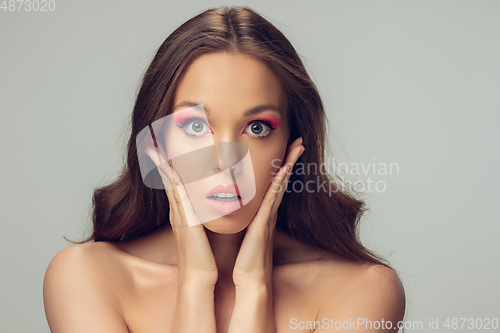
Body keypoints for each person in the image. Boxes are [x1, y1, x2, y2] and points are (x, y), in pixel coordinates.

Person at [43, 6, 405, 333]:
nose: (226, 161)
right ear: (157, 139)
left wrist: (255, 288)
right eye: (196, 127)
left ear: (294, 144)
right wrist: (196, 283)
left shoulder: (363, 291)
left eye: (258, 127)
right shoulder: (85, 277)